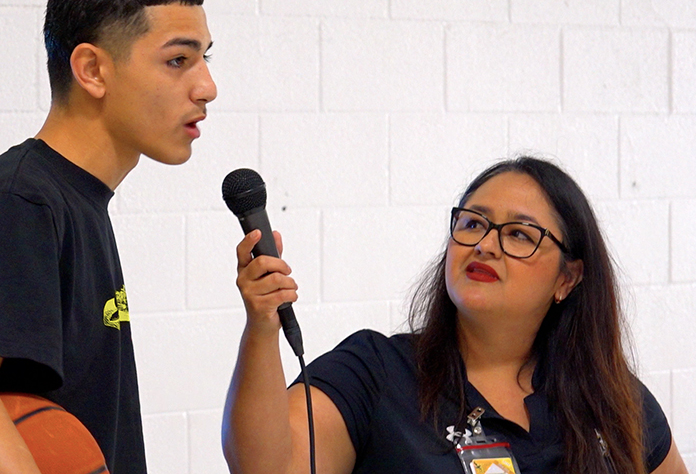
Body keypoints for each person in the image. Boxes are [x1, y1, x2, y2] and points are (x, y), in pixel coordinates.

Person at [0, 0, 216, 473]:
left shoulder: (67, 201)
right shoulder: (21, 201)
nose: (206, 86)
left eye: (205, 58)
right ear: (92, 69)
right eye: (178, 60)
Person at [222, 157, 689, 474]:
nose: (485, 244)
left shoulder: (608, 395)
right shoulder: (377, 372)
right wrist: (262, 326)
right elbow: (266, 464)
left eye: (520, 235)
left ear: (568, 278)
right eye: (472, 223)